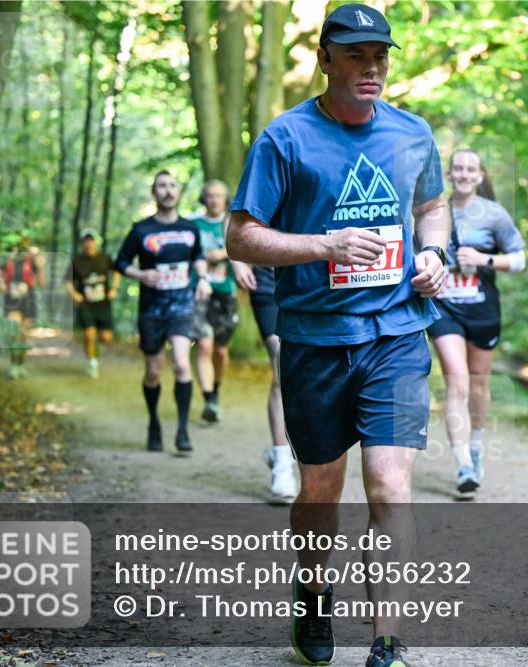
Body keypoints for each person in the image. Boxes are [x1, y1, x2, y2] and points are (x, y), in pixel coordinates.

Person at [225, 5, 448, 666]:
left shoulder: (413, 133)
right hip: (317, 337)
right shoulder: (284, 138)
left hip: (398, 333)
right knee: (321, 488)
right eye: (355, 55)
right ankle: (314, 592)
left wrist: (436, 254)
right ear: (325, 59)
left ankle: (387, 639)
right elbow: (241, 234)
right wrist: (325, 243)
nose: (370, 66)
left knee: (389, 485)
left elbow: (432, 206)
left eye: (379, 54)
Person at [428, 149, 526, 499]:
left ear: (480, 175)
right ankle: (462, 467)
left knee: (478, 386)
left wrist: (484, 258)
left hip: (483, 310)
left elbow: (519, 259)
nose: (465, 174)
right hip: (444, 308)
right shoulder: (433, 210)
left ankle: (476, 445)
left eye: (471, 169)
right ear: (449, 174)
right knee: (457, 380)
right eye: (458, 168)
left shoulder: (494, 215)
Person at [115, 171, 211, 454]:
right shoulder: (141, 230)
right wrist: (141, 275)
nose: (167, 191)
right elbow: (120, 262)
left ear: (178, 192)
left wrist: (203, 278)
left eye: (171, 186)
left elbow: (199, 258)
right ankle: (154, 422)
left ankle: (182, 431)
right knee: (153, 370)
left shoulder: (190, 227)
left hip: (182, 305)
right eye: (161, 186)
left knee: (182, 363)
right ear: (154, 193)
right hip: (151, 309)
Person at [189, 180, 246, 423]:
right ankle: (209, 399)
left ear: (226, 199)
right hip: (199, 293)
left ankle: (216, 389)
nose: (213, 200)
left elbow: (246, 251)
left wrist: (222, 253)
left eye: (218, 196)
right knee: (204, 346)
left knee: (220, 352)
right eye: (209, 195)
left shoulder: (234, 224)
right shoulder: (192, 224)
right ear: (204, 198)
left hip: (226, 293)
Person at [246, 261, 299, 504]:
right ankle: (282, 465)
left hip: (315, 279)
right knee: (280, 360)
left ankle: (288, 452)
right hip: (266, 278)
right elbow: (233, 222)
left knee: (306, 373)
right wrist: (236, 261)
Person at [66, 228, 120, 379]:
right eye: (86, 242)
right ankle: (92, 363)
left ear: (96, 243)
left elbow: (117, 271)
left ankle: (96, 351)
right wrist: (74, 294)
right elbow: (68, 281)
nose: (89, 244)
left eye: (91, 241)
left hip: (103, 304)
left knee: (106, 337)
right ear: (83, 244)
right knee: (89, 335)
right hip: (86, 304)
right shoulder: (76, 261)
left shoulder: (105, 259)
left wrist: (114, 289)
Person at [1, 236, 46, 379]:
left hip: (28, 300)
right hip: (11, 300)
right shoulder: (6, 261)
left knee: (24, 336)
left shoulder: (32, 261)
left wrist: (40, 266)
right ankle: (13, 365)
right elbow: (1, 283)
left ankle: (21, 365)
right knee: (15, 331)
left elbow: (42, 283)